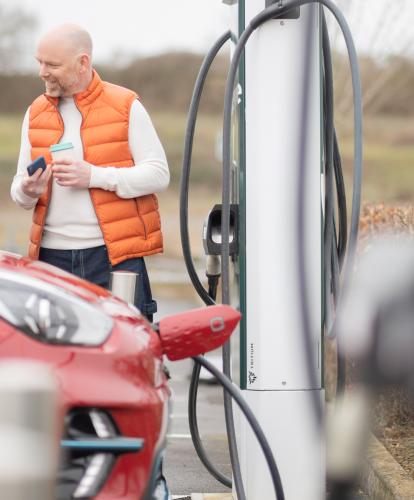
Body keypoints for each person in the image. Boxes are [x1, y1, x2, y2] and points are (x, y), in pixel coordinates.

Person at [10, 24, 169, 323]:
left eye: (53, 64)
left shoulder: (126, 106)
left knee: (126, 356)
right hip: (49, 261)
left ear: (83, 63)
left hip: (114, 259)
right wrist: (28, 190)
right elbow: (18, 189)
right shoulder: (34, 112)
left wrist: (94, 176)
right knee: (58, 362)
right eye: (39, 62)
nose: (42, 72)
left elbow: (159, 174)